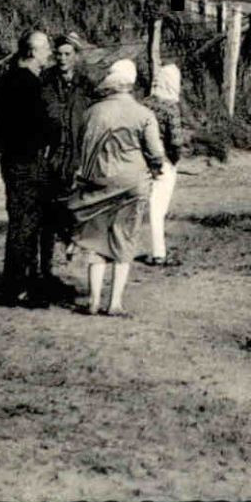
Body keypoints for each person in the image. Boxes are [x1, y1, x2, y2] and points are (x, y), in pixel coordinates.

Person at [61, 60, 166, 316]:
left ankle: (94, 300)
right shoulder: (143, 114)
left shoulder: (92, 112)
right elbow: (155, 153)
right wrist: (155, 168)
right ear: (130, 85)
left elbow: (81, 147)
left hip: (98, 180)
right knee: (124, 239)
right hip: (132, 183)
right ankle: (115, 303)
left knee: (96, 240)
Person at [0, 29, 60, 307]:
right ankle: (17, 288)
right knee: (26, 224)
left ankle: (17, 285)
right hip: (28, 161)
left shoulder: (3, 81)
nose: (49, 54)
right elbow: (44, 126)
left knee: (20, 222)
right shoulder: (31, 84)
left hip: (11, 159)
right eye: (45, 50)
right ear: (32, 52)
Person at [40, 31, 92, 281]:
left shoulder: (86, 84)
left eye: (67, 54)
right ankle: (45, 270)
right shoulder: (45, 81)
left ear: (77, 56)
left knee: (75, 209)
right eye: (58, 54)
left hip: (77, 157)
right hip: (50, 156)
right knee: (45, 215)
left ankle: (73, 248)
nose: (61, 59)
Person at [145, 63, 187, 266]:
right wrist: (174, 160)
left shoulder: (144, 104)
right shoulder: (171, 108)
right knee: (158, 208)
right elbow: (176, 141)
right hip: (164, 160)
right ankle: (158, 251)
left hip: (142, 160)